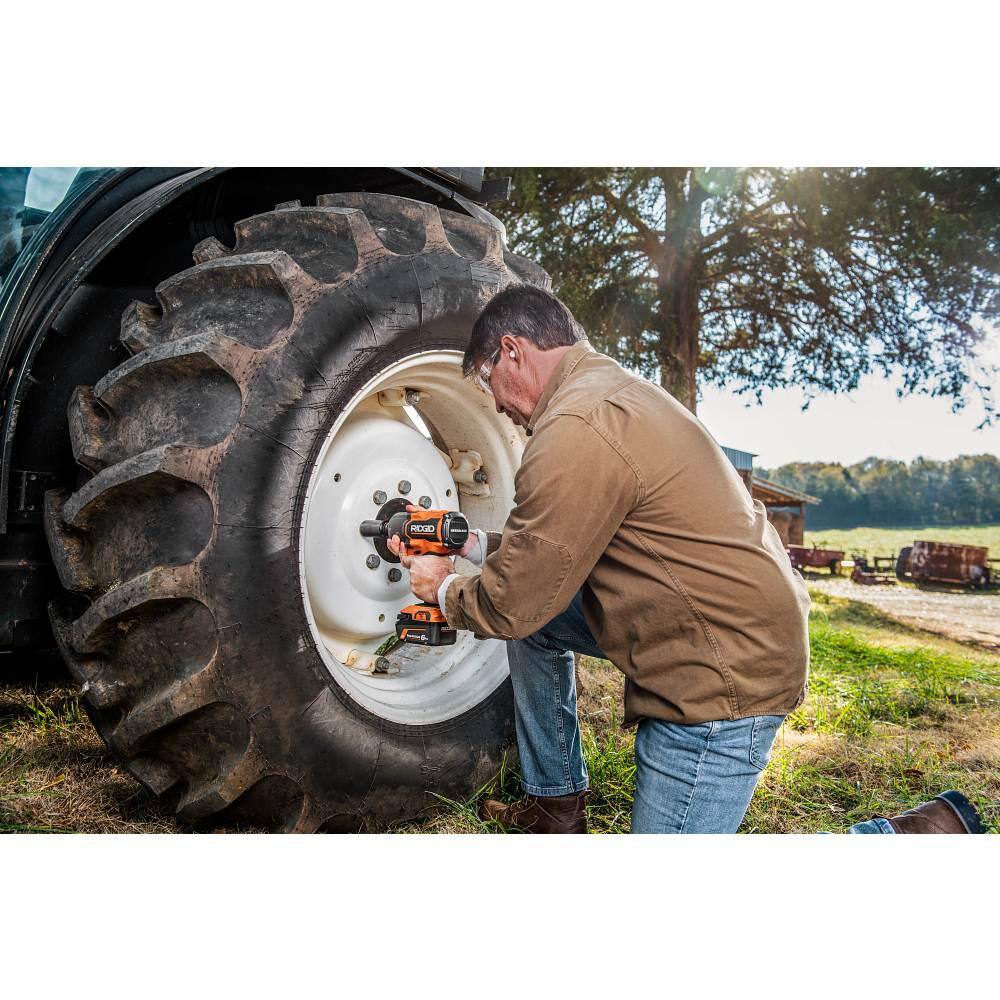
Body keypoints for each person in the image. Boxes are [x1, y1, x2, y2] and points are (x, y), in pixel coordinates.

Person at [388, 285, 981, 836]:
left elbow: (511, 603)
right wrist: (463, 544)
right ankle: (556, 805)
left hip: (718, 669)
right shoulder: (607, 393)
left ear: (512, 351)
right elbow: (549, 558)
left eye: (489, 383)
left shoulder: (573, 427)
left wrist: (443, 587)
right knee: (544, 628)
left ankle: (906, 841)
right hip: (722, 623)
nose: (497, 405)